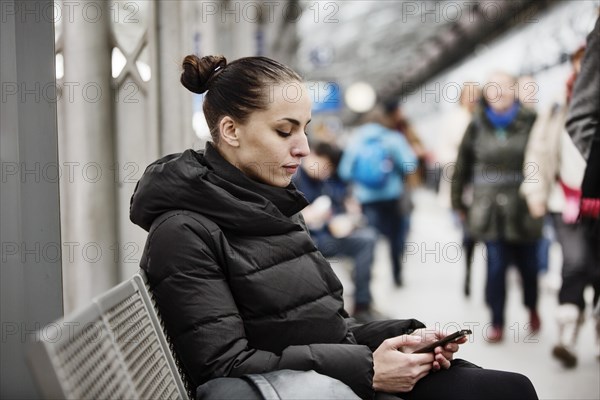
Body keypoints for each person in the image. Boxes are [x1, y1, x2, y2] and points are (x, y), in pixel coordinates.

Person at [130, 54, 539, 399]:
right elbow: (224, 366)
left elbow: (327, 326)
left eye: (304, 129)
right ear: (231, 130)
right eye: (284, 130)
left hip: (338, 377)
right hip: (311, 388)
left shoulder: (272, 206)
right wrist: (368, 368)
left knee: (511, 387)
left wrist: (405, 337)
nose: (304, 147)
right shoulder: (183, 232)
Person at [520, 45, 598, 368]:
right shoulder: (556, 110)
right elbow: (537, 154)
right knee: (575, 262)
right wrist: (535, 192)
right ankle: (566, 337)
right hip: (564, 202)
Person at [451, 71, 543, 343]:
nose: (498, 93)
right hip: (487, 207)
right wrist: (457, 202)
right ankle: (497, 321)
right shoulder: (476, 124)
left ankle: (532, 306)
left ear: (514, 90)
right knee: (496, 265)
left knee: (529, 265)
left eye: (504, 87)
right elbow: (461, 166)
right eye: (493, 88)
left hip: (524, 203)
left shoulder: (531, 120)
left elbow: (545, 157)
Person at [292, 141, 381, 323]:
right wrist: (305, 216)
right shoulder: (293, 179)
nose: (327, 171)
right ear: (313, 156)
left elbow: (338, 208)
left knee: (367, 239)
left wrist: (345, 219)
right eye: (326, 165)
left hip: (327, 237)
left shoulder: (325, 183)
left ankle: (362, 304)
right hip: (304, 240)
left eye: (330, 168)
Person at [338, 104, 417, 287]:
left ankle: (368, 276)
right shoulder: (392, 138)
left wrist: (361, 180)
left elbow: (344, 172)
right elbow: (409, 165)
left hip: (367, 200)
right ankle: (397, 275)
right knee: (396, 238)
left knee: (369, 238)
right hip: (392, 197)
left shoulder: (356, 140)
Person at [565, 15, 600, 360]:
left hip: (583, 201)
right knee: (576, 264)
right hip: (565, 203)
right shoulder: (546, 114)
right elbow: (582, 119)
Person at [436, 83, 481, 297]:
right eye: (468, 95)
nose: (472, 99)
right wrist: (461, 162)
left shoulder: (484, 119)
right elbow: (443, 152)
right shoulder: (453, 121)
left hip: (484, 186)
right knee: (468, 234)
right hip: (462, 186)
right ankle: (468, 274)